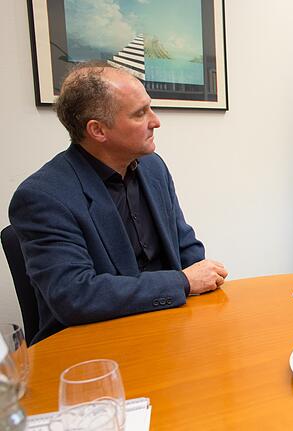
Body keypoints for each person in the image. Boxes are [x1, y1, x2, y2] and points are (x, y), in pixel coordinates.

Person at [9, 63, 228, 344]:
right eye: (140, 114)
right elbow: (75, 296)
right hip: (93, 346)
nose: (156, 121)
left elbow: (185, 246)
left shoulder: (152, 167)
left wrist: (208, 286)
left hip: (169, 331)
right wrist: (183, 283)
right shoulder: (41, 197)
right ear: (98, 130)